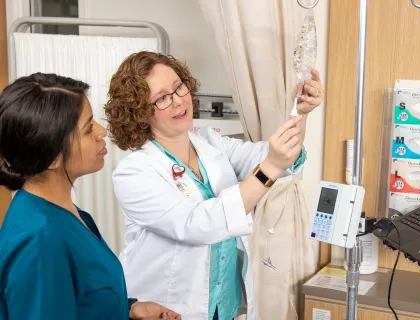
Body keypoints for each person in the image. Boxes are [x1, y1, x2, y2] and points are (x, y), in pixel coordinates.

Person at [104, 51, 323, 319]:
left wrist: (300, 114)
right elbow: (198, 224)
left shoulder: (210, 144)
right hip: (169, 308)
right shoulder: (133, 173)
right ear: (139, 112)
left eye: (179, 87)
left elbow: (276, 156)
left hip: (223, 306)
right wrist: (271, 168)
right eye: (162, 98)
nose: (178, 101)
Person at [0, 73, 182, 320]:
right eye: (88, 129)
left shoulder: (66, 213)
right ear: (52, 156)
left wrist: (126, 310)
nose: (102, 131)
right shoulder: (39, 238)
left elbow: (79, 298)